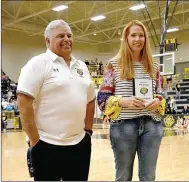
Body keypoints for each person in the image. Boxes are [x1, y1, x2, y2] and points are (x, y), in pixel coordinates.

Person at [17, 20, 95, 181]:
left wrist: (88, 132)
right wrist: (35, 140)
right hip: (46, 145)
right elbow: (24, 101)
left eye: (69, 35)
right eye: (60, 36)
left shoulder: (82, 66)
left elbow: (90, 100)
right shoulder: (38, 63)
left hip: (79, 145)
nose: (67, 39)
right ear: (47, 41)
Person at [97, 20, 165, 181]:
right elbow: (102, 99)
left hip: (152, 126)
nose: (137, 39)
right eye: (133, 35)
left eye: (141, 35)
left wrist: (158, 101)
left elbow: (161, 96)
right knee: (123, 177)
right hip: (123, 127)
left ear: (145, 39)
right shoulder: (114, 64)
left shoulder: (154, 66)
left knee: (148, 177)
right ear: (126, 38)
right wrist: (122, 101)